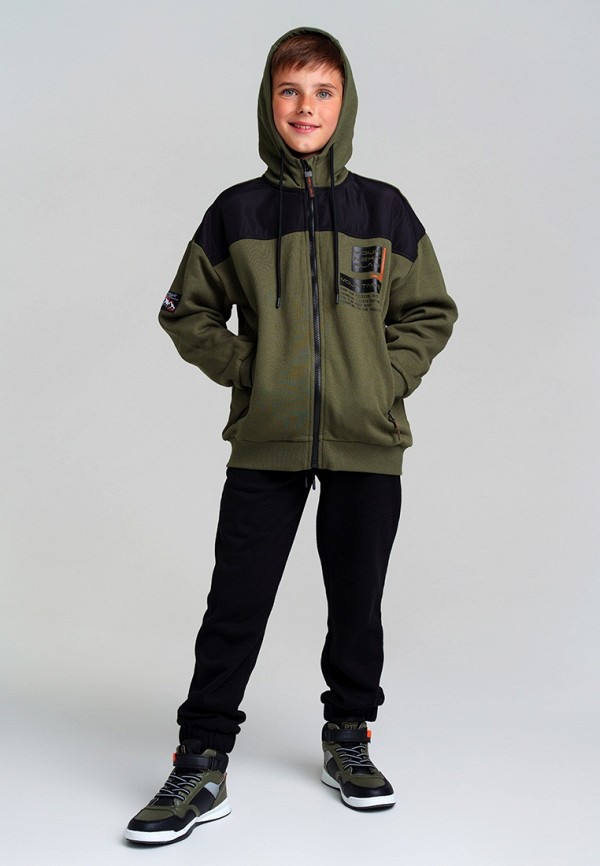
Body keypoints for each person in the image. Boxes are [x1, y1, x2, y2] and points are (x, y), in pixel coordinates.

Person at [125, 26, 457, 845]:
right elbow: (185, 311)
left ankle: (349, 736)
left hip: (366, 439)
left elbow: (430, 311)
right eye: (290, 90)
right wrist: (252, 370)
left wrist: (382, 379)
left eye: (323, 92)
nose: (306, 107)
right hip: (267, 439)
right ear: (268, 102)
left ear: (346, 104)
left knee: (357, 601)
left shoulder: (384, 210)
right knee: (235, 602)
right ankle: (202, 760)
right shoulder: (236, 211)